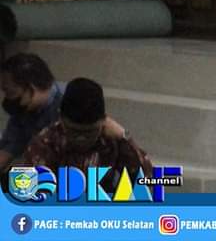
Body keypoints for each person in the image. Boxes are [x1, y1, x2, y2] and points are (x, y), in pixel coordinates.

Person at [23, 78, 152, 186]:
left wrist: (125, 137)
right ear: (60, 119)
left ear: (104, 120)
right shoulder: (45, 144)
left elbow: (146, 180)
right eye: (74, 131)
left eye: (89, 132)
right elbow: (32, 194)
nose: (81, 138)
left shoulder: (113, 140)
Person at [0, 53, 62, 172]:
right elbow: (10, 146)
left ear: (31, 87)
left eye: (10, 93)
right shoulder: (25, 110)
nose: (8, 99)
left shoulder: (68, 105)